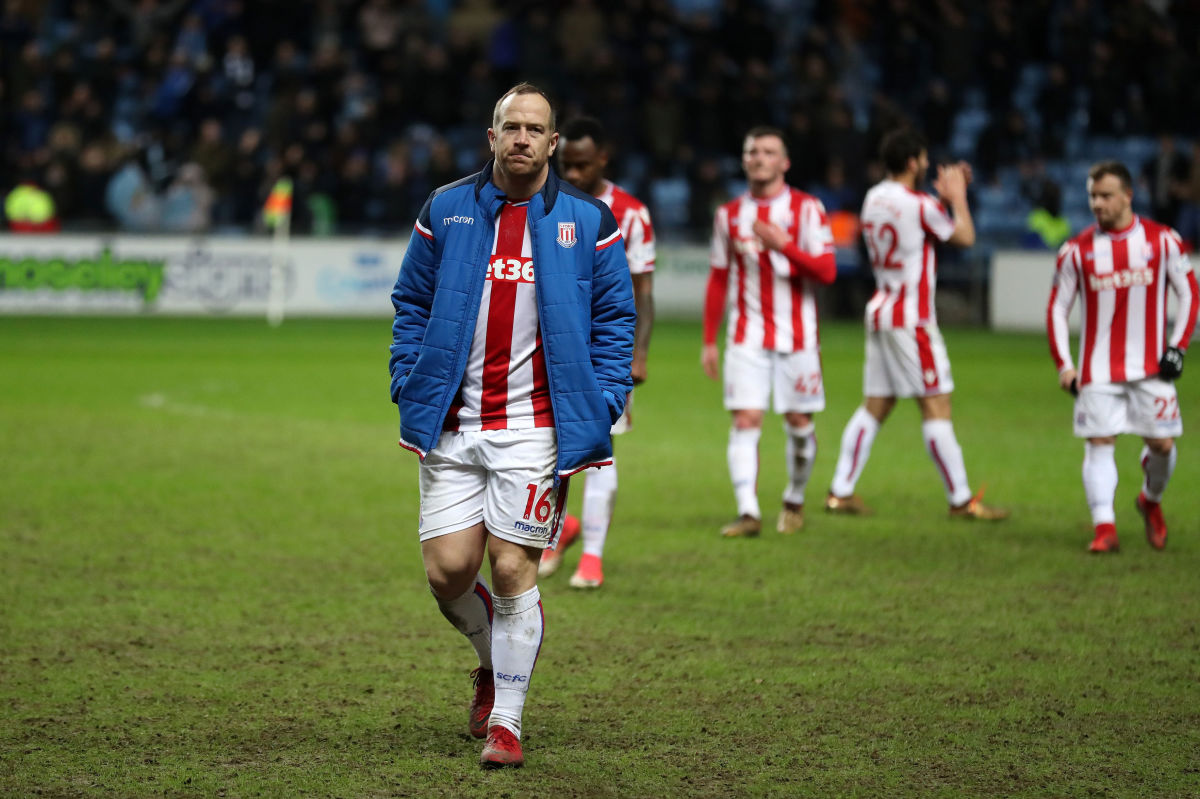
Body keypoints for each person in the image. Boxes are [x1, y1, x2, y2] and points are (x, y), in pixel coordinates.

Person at [389, 83, 635, 768]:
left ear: (554, 142)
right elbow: (410, 299)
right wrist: (407, 375)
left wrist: (607, 395)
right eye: (511, 126)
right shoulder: (447, 208)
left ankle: (508, 722)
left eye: (536, 128)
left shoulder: (589, 220)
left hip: (536, 429)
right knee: (448, 573)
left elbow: (616, 317)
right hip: (452, 425)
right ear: (491, 136)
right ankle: (491, 657)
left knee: (511, 564)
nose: (523, 137)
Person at [825, 128, 1008, 520]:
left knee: (877, 403)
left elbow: (909, 224)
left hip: (880, 308)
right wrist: (956, 199)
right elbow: (965, 236)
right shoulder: (919, 203)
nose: (927, 165)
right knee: (936, 403)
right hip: (912, 318)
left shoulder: (874, 197)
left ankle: (840, 491)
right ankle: (962, 501)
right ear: (912, 162)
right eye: (924, 159)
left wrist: (940, 200)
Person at [1047, 160, 1197, 553]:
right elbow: (1057, 310)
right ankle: (1104, 527)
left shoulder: (1163, 240)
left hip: (1152, 367)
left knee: (1162, 445)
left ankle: (1150, 500)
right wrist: (1065, 364)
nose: (1098, 203)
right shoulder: (1075, 251)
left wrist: (1177, 348)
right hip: (1097, 369)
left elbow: (1191, 294)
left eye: (1106, 196)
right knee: (1100, 441)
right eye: (1093, 196)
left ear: (1128, 196)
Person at [701, 126, 837, 537]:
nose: (759, 158)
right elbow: (719, 278)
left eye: (768, 151)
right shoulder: (729, 215)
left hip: (798, 338)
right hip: (746, 337)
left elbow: (827, 272)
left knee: (798, 423)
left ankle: (794, 497)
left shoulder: (808, 209)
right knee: (746, 419)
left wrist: (784, 246)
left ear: (784, 162)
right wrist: (709, 338)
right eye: (752, 151)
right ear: (744, 160)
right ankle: (749, 512)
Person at [538, 116, 655, 589]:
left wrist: (638, 353)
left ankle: (592, 556)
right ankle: (550, 533)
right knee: (549, 447)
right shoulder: (545, 201)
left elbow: (643, 293)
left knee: (601, 451)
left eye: (584, 165)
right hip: (554, 346)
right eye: (568, 165)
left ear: (603, 158)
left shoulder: (631, 213)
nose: (576, 174)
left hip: (607, 351)